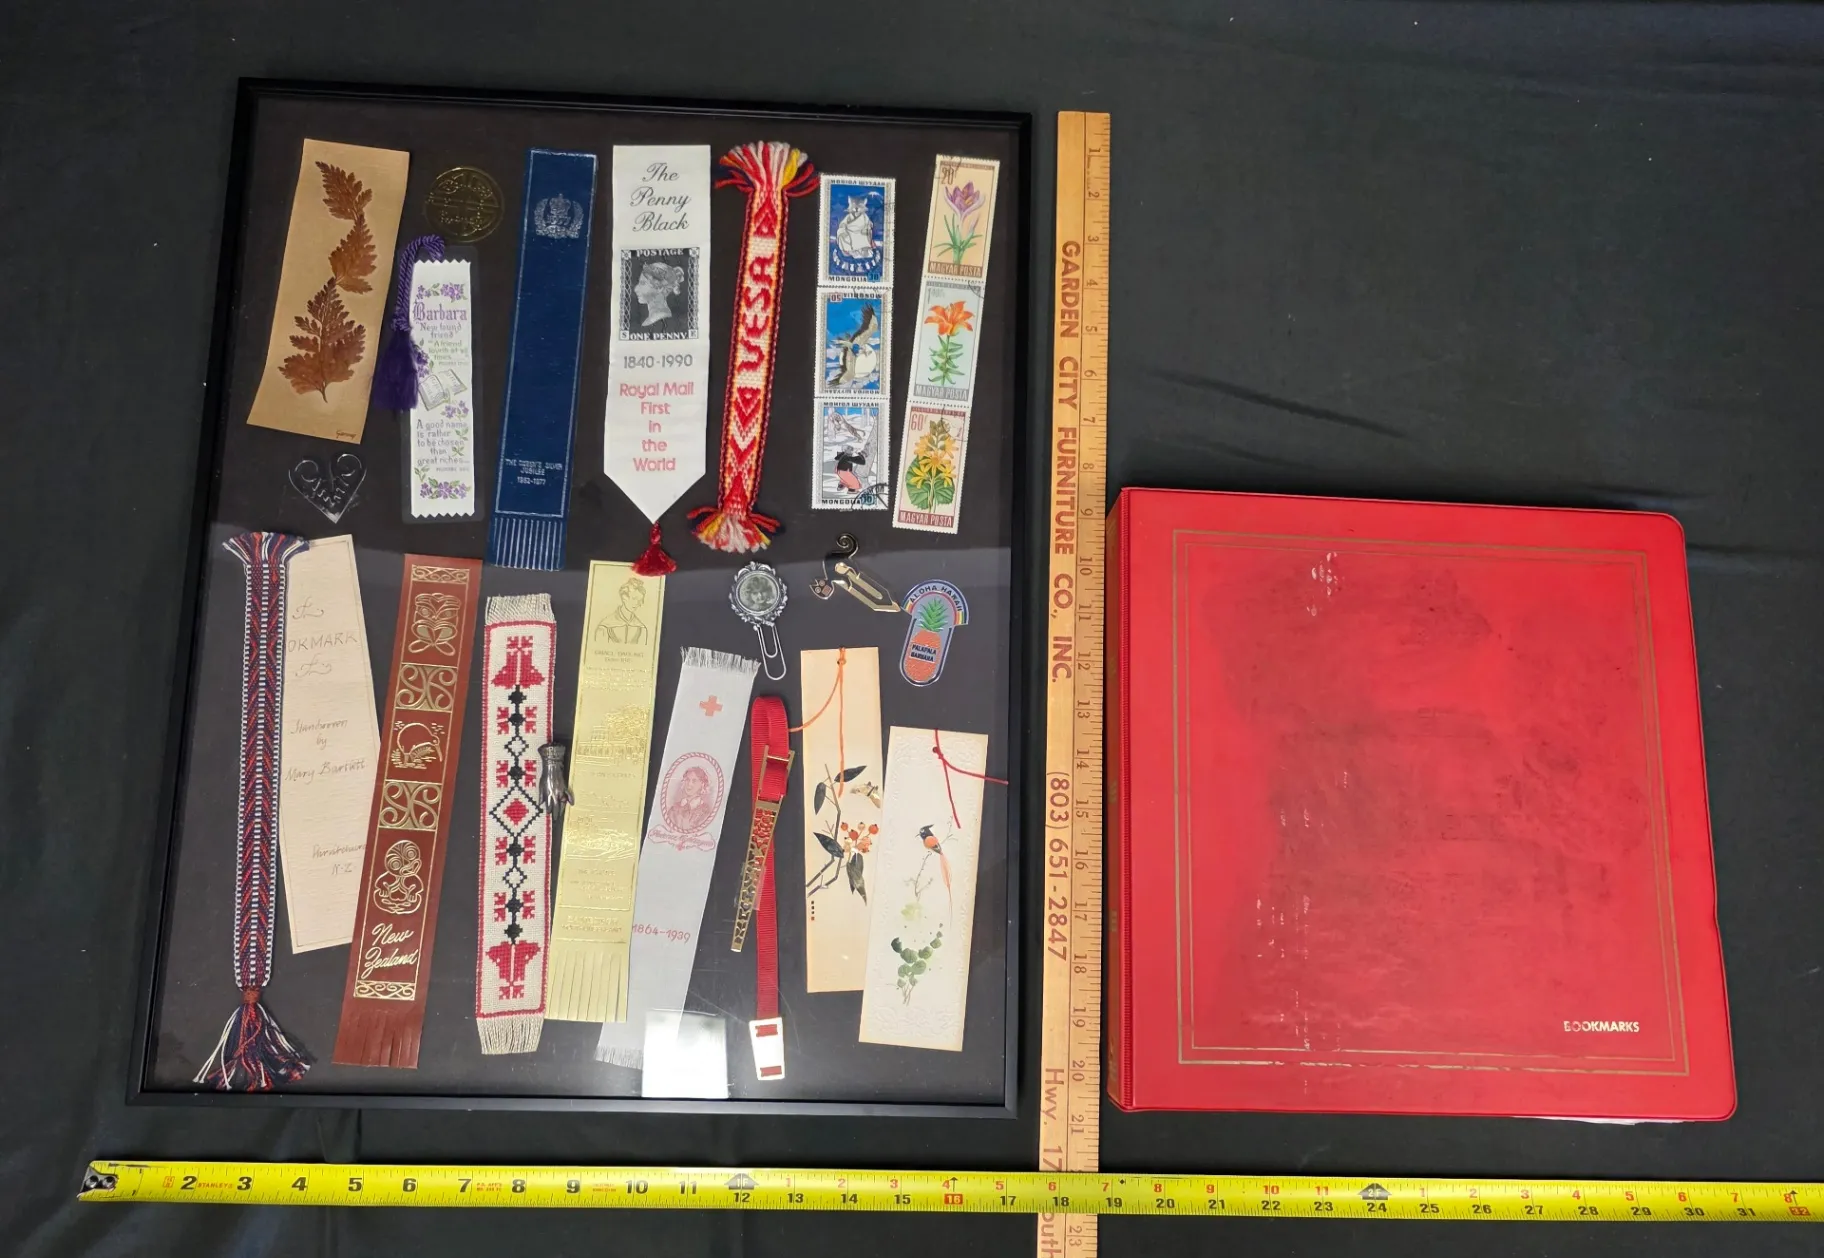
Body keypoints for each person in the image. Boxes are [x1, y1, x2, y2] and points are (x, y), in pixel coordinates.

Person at [632, 259, 686, 327]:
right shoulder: (652, 318)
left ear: (659, 288)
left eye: (643, 283)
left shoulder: (660, 317)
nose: (635, 289)